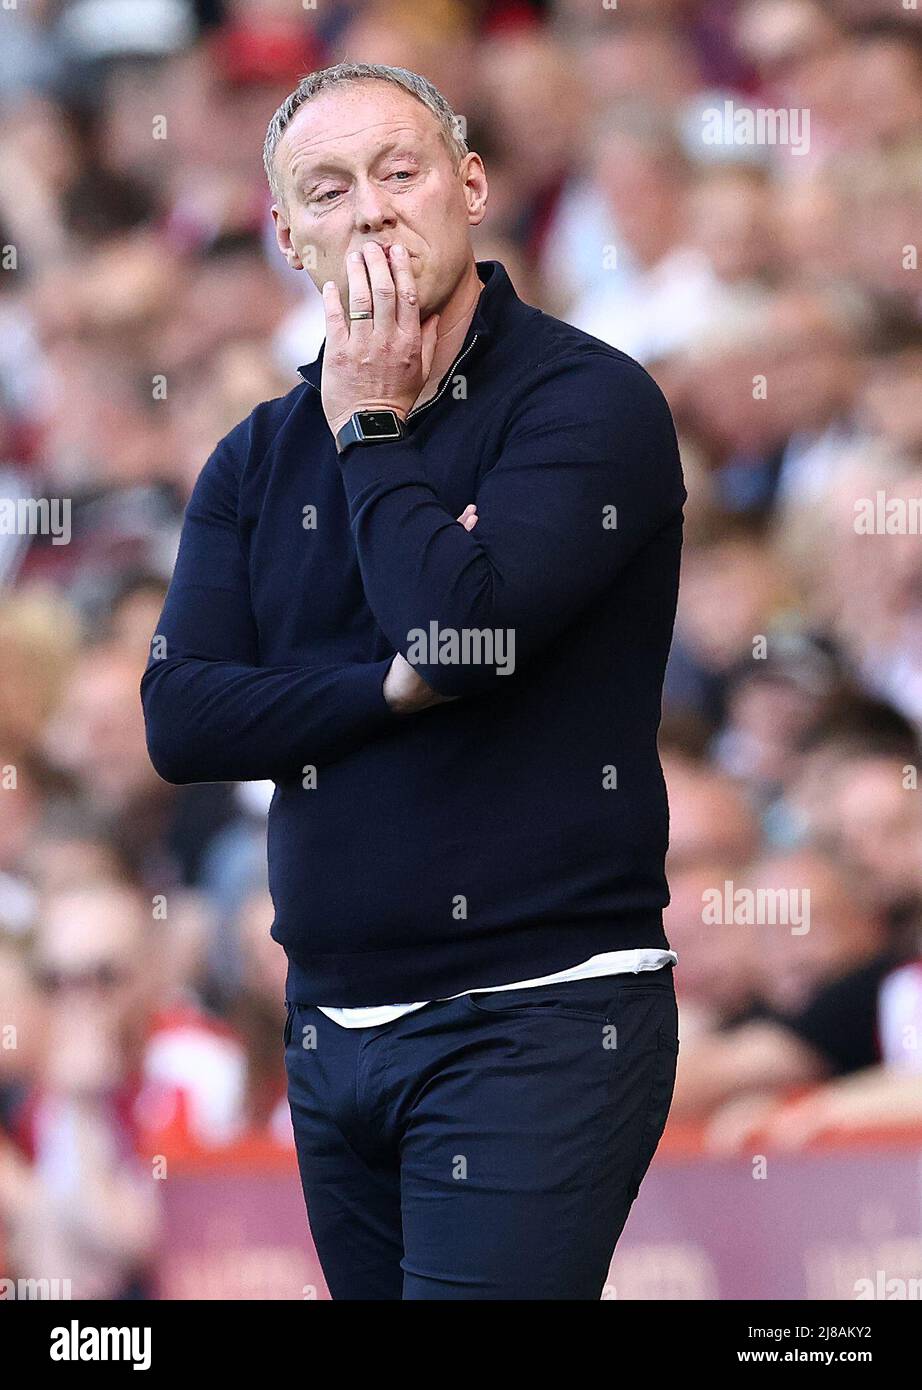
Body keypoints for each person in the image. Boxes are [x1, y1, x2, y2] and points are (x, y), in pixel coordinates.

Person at [141, 61, 686, 1301]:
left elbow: (456, 636)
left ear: (471, 184)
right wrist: (382, 691)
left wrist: (375, 430)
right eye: (328, 190)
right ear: (289, 238)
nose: (373, 211)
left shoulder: (587, 399)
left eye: (401, 171)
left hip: (539, 1011)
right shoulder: (253, 454)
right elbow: (184, 717)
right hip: (333, 1023)